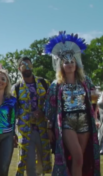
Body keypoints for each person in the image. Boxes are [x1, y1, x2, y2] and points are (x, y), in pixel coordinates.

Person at [44, 31, 100, 176]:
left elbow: (94, 101)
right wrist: (50, 128)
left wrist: (94, 108)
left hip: (85, 122)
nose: (69, 64)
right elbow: (49, 108)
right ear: (61, 65)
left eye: (72, 61)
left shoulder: (86, 81)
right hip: (67, 122)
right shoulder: (56, 85)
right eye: (66, 62)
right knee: (77, 157)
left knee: (80, 160)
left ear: (76, 64)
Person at [12, 57, 52, 176]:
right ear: (19, 68)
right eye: (24, 65)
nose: (27, 67)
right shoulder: (16, 88)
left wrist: (43, 112)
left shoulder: (44, 83)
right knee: (28, 163)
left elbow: (52, 103)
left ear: (32, 66)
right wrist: (13, 133)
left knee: (43, 161)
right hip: (25, 130)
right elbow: (13, 111)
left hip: (43, 129)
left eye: (29, 65)